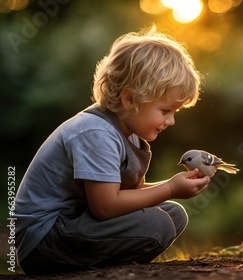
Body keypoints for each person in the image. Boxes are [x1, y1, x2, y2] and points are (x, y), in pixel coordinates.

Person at [13, 26, 211, 275]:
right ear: (129, 99)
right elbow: (106, 206)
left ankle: (104, 267)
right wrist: (170, 188)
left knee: (173, 214)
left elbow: (129, 193)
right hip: (44, 239)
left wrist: (174, 184)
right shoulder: (96, 132)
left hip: (75, 225)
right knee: (157, 223)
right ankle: (95, 269)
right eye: (165, 111)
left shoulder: (131, 135)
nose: (171, 121)